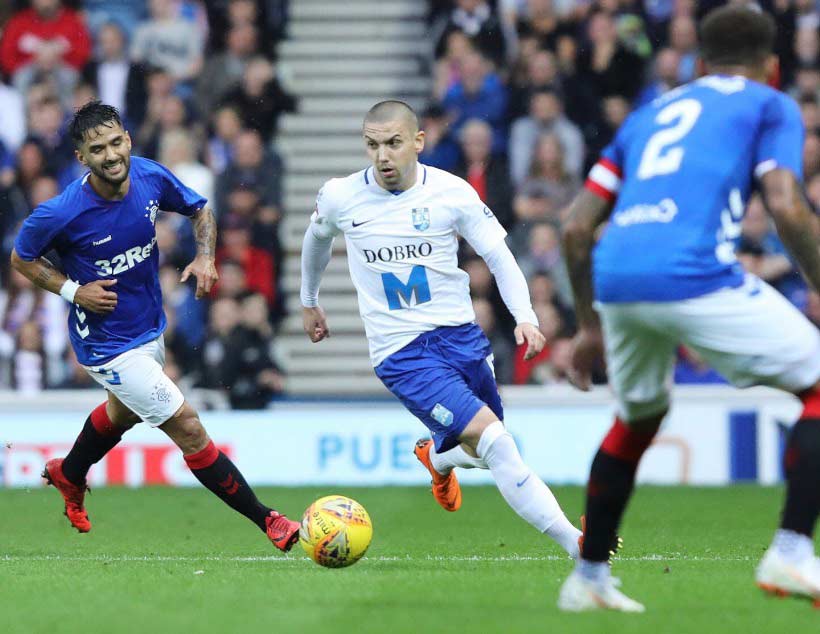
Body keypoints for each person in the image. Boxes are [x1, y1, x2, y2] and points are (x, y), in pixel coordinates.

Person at [557, 6, 820, 612]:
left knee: (637, 418)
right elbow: (786, 202)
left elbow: (574, 230)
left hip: (617, 277)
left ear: (700, 63)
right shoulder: (767, 102)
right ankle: (791, 550)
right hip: (694, 272)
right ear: (772, 65)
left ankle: (589, 578)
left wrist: (590, 327)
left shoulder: (650, 114)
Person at [300, 99, 586, 560]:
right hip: (402, 353)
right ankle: (577, 545)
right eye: (373, 145)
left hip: (462, 338)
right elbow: (315, 239)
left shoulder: (452, 193)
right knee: (497, 443)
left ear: (418, 142)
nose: (383, 156)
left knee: (479, 451)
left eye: (393, 143)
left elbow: (498, 255)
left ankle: (436, 458)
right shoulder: (340, 196)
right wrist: (308, 301)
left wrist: (525, 316)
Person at [10, 101, 300, 552]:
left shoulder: (148, 175)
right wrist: (72, 291)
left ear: (127, 139)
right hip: (106, 343)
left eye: (115, 142)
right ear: (82, 158)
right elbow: (21, 257)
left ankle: (69, 472)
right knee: (187, 425)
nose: (110, 155)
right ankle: (270, 521)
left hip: (149, 328)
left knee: (121, 413)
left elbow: (200, 210)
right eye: (96, 149)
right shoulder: (62, 212)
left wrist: (205, 256)